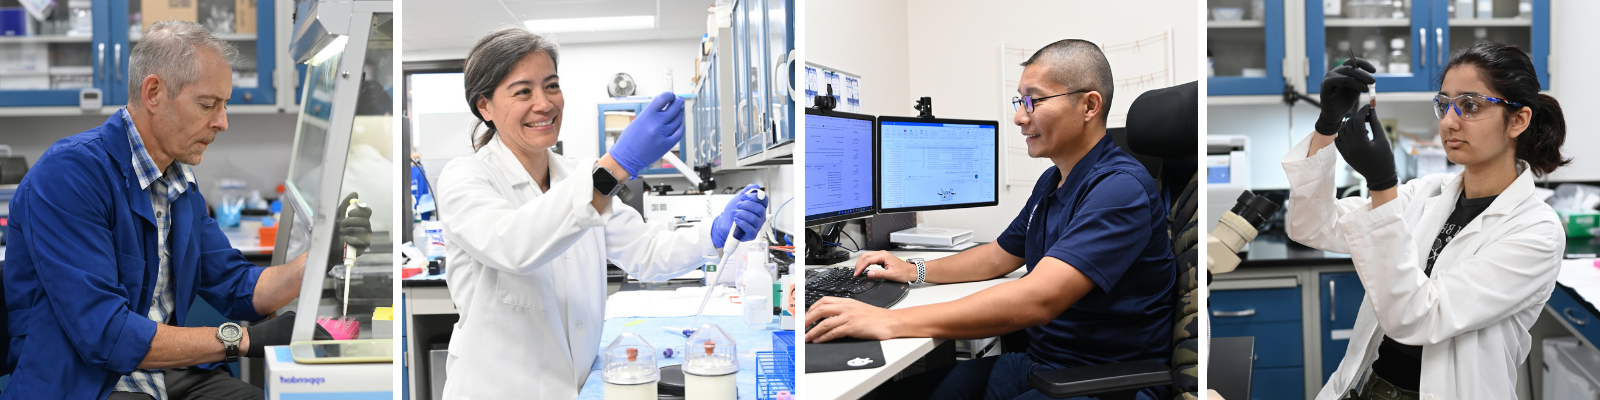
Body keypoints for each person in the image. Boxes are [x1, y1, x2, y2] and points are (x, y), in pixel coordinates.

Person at [2, 21, 363, 399]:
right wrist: (241, 339)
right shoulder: (71, 174)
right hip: (86, 384)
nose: (222, 122)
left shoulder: (177, 181)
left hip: (168, 376)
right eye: (207, 105)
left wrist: (325, 249)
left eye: (224, 106)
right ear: (154, 93)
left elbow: (239, 287)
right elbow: (105, 333)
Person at [804, 39, 1175, 400]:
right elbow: (999, 255)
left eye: (1033, 100)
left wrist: (889, 321)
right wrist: (913, 269)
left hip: (1103, 383)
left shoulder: (1119, 190)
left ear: (1089, 105)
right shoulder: (1054, 181)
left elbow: (1037, 300)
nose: (1019, 116)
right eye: (1019, 100)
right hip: (1044, 366)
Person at [434, 27, 770, 399]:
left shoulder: (576, 175)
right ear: (485, 107)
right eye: (523, 92)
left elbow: (647, 252)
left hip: (577, 386)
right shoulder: (465, 178)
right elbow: (515, 245)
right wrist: (616, 165)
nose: (544, 104)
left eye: (551, 86)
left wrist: (716, 232)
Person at [1289, 43, 1568, 400]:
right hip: (1372, 387)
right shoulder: (1428, 193)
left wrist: (1382, 186)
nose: (1449, 121)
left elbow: (1418, 317)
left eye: (1470, 105)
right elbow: (1312, 226)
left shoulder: (1536, 231)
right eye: (1444, 104)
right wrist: (1327, 125)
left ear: (1518, 120)